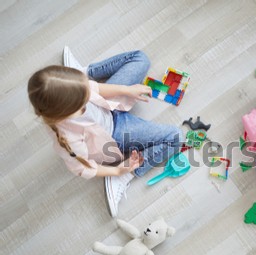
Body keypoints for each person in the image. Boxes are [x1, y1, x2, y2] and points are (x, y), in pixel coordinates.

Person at [28, 47, 182, 217]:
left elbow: (96, 89)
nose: (88, 92)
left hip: (108, 105)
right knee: (175, 137)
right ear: (69, 110)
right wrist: (117, 171)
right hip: (115, 131)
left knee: (140, 58)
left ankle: (84, 72)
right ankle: (126, 176)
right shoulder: (68, 139)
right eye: (83, 97)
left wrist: (126, 90)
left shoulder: (74, 97)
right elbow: (83, 168)